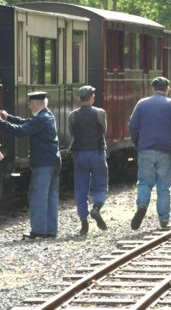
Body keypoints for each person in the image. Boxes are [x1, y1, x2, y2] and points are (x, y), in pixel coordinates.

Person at [0, 91, 61, 239]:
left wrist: (0, 123)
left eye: (30, 103)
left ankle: (38, 231)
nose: (29, 106)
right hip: (53, 161)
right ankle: (50, 230)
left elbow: (21, 131)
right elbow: (26, 122)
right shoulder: (47, 115)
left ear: (36, 103)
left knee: (38, 196)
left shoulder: (41, 119)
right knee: (51, 197)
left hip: (43, 163)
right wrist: (8, 117)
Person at [127, 77, 171, 230]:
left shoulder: (142, 103)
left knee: (144, 181)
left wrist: (138, 142)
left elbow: (132, 125)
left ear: (152, 88)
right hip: (166, 150)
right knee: (164, 186)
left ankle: (142, 204)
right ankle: (164, 220)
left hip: (146, 149)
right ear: (168, 88)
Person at [68, 85, 109, 235]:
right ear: (92, 98)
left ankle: (84, 223)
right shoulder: (100, 113)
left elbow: (72, 131)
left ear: (79, 99)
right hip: (97, 153)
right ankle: (96, 208)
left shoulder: (72, 115)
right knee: (100, 184)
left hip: (80, 155)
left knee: (81, 189)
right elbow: (104, 130)